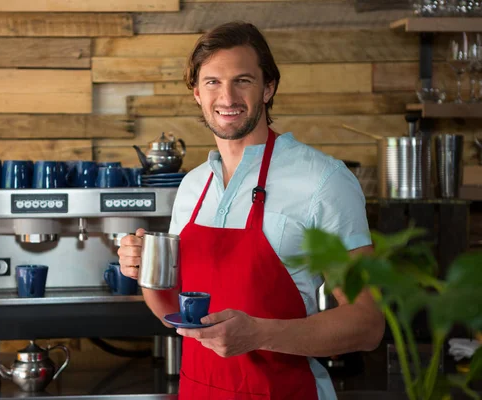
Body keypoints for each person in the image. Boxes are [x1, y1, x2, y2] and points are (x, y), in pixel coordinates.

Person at [118, 21, 385, 400]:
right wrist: (144, 270)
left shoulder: (323, 180)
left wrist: (258, 334)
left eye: (242, 80)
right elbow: (171, 311)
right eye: (212, 82)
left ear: (268, 87)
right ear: (196, 92)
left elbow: (367, 323)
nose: (227, 97)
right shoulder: (192, 187)